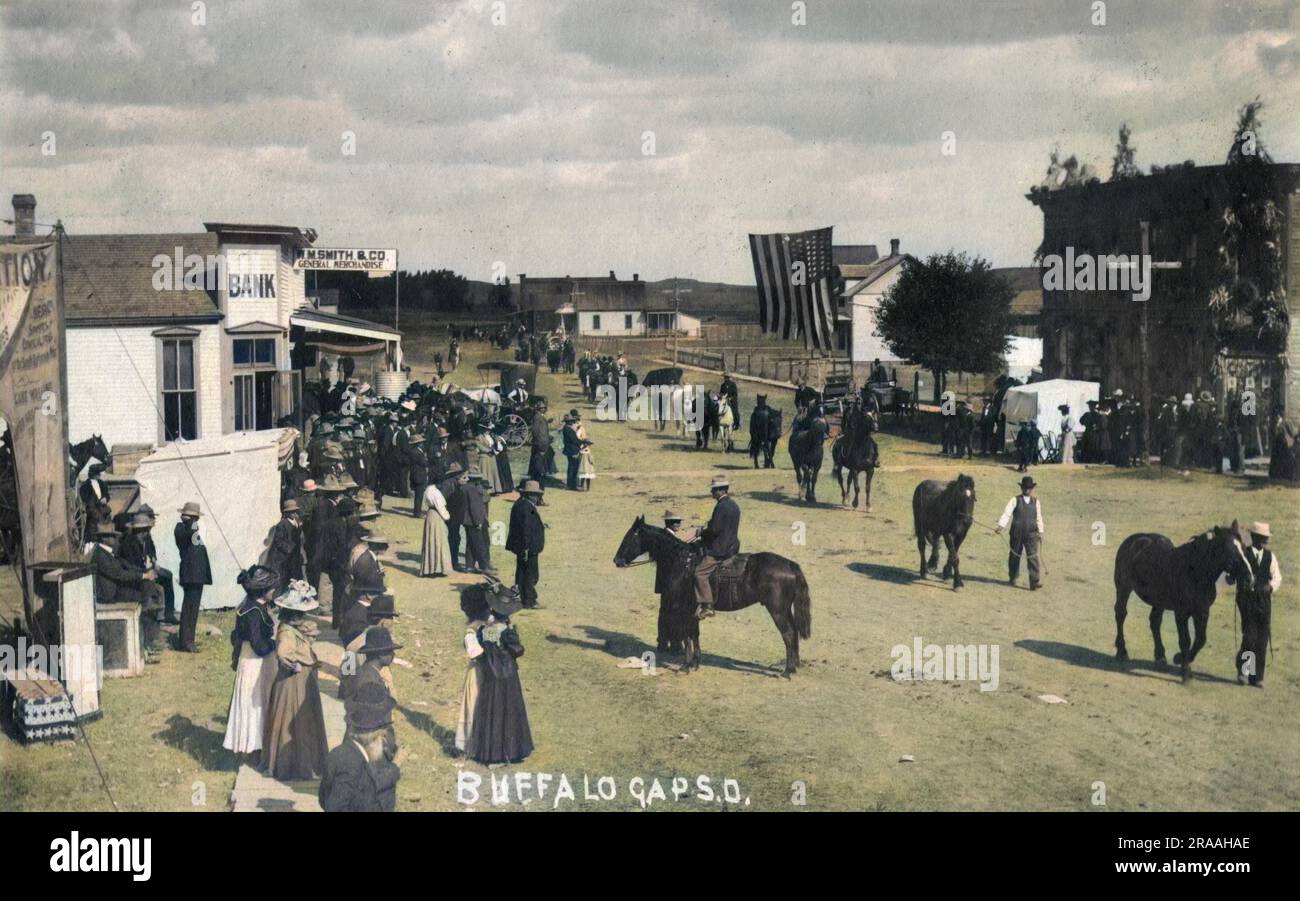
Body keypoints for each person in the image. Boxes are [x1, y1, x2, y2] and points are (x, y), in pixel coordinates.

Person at [462, 583, 533, 766]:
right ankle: (515, 750)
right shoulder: (509, 629)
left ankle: (494, 754)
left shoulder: (489, 631)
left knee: (494, 712)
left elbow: (486, 651)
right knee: (511, 710)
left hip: (494, 676)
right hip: (510, 675)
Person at [262, 586, 329, 780]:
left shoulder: (294, 628)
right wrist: (295, 665)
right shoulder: (287, 631)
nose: (303, 616)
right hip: (293, 682)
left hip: (302, 680)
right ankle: (291, 766)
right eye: (300, 613)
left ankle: (303, 762)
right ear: (292, 613)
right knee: (294, 720)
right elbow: (283, 653)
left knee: (304, 720)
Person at [223, 565, 279, 759]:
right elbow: (257, 644)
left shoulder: (250, 605)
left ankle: (257, 743)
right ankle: (255, 745)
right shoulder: (253, 611)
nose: (274, 591)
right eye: (271, 588)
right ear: (263, 591)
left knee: (256, 701)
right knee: (255, 702)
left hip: (249, 658)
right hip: (255, 662)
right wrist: (273, 645)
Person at [90, 521, 166, 662]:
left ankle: (146, 644)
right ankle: (144, 647)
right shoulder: (100, 555)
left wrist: (144, 572)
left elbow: (126, 566)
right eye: (113, 536)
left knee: (146, 593)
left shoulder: (107, 552)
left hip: (114, 590)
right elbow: (119, 573)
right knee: (143, 598)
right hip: (108, 595)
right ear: (104, 538)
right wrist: (143, 576)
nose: (116, 539)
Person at [320, 680, 401, 812]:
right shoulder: (351, 764)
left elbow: (323, 799)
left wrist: (394, 767)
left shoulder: (339, 753)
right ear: (376, 735)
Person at [1229, 522, 1281, 687]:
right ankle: (1244, 672)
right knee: (1250, 637)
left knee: (1262, 638)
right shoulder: (1243, 554)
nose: (1265, 541)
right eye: (1262, 538)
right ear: (1254, 537)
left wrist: (1271, 587)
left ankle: (1257, 677)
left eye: (1266, 538)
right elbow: (1233, 574)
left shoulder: (1270, 556)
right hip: (1247, 601)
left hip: (1264, 601)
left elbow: (1277, 577)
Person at [693, 475, 740, 619]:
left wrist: (702, 532)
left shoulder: (720, 506)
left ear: (720, 491)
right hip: (733, 546)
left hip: (720, 549)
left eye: (714, 490)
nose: (712, 493)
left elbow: (715, 530)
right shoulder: (733, 505)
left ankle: (708, 606)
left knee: (699, 573)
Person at [120, 509, 177, 625]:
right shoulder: (128, 543)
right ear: (140, 531)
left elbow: (151, 550)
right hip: (138, 575)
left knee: (168, 575)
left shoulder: (145, 538)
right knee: (157, 587)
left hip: (148, 569)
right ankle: (158, 616)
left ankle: (169, 613)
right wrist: (147, 572)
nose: (147, 532)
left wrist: (154, 561)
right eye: (146, 530)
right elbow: (131, 567)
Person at [174, 501, 211, 652]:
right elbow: (186, 536)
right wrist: (189, 521)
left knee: (193, 608)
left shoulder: (194, 528)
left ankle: (189, 640)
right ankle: (186, 641)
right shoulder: (182, 528)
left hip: (197, 573)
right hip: (191, 573)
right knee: (189, 607)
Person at [995, 476, 1044, 590]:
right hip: (1017, 533)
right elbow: (1007, 513)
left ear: (1032, 489)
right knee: (1014, 555)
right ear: (1021, 488)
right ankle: (1013, 577)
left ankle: (1034, 581)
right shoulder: (1015, 500)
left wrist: (1041, 532)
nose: (1027, 489)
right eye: (1025, 487)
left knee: (1032, 556)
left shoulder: (1036, 502)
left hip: (1031, 534)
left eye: (1029, 488)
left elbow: (1039, 517)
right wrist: (1001, 526)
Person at [506, 480, 545, 609]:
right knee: (530, 575)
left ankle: (523, 597)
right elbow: (526, 529)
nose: (537, 497)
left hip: (522, 546)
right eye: (535, 495)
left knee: (523, 573)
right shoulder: (527, 507)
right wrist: (527, 547)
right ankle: (529, 600)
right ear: (529, 495)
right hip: (528, 547)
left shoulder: (521, 504)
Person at [265, 499, 306, 590]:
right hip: (287, 557)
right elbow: (278, 541)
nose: (294, 513)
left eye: (295, 511)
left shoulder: (296, 521)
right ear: (286, 513)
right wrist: (290, 548)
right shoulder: (282, 524)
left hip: (295, 555)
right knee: (288, 579)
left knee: (296, 578)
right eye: (291, 512)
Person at [420, 477, 453, 577]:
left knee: (431, 541)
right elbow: (440, 507)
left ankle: (430, 568)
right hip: (436, 515)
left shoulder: (427, 490)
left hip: (430, 515)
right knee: (439, 541)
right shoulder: (435, 492)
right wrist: (447, 517)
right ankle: (436, 569)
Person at [463, 469, 494, 575]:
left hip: (467, 521)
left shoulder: (466, 487)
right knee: (479, 543)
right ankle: (484, 566)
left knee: (470, 543)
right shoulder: (473, 489)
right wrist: (478, 522)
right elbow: (474, 507)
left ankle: (469, 566)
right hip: (474, 521)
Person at [440, 463, 467, 572]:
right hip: (451, 517)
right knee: (454, 539)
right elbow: (442, 501)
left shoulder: (455, 483)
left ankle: (452, 561)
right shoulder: (448, 484)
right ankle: (453, 562)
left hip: (455, 517)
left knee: (455, 539)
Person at [574, 410, 596, 490]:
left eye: (578, 418)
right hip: (580, 448)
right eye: (577, 419)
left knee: (583, 470)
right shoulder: (576, 427)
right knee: (582, 469)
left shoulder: (581, 427)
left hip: (583, 448)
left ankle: (582, 485)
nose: (578, 420)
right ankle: (581, 485)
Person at [561, 413, 583, 490]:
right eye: (570, 421)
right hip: (572, 450)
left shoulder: (567, 428)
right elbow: (574, 440)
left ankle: (571, 484)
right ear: (567, 422)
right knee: (573, 468)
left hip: (570, 450)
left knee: (572, 467)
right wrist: (583, 442)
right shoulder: (568, 429)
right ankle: (571, 485)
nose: (572, 422)